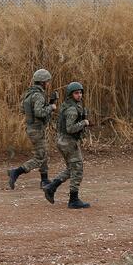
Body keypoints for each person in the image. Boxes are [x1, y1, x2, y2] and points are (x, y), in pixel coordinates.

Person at [43, 81, 91, 209]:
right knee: (78, 169)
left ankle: (51, 187)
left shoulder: (68, 105)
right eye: (76, 93)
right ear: (71, 95)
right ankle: (73, 199)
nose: (79, 95)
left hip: (63, 141)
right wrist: (84, 123)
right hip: (68, 142)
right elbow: (70, 128)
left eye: (80, 92)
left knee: (72, 168)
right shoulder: (72, 109)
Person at [7, 68, 57, 190]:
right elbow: (39, 112)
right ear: (42, 82)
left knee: (43, 153)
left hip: (32, 128)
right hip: (37, 130)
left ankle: (44, 180)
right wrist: (51, 107)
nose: (48, 84)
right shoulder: (38, 95)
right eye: (47, 81)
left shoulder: (29, 94)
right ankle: (16, 172)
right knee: (40, 157)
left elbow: (22, 109)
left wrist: (48, 103)